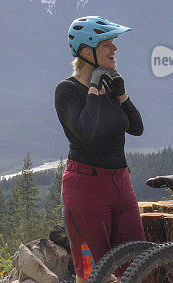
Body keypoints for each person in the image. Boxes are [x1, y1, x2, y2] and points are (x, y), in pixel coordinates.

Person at [54, 16, 145, 282]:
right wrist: (93, 87)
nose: (114, 49)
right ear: (86, 51)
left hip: (121, 184)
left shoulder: (110, 86)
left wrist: (122, 95)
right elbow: (85, 133)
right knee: (92, 271)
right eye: (108, 44)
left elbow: (137, 128)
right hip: (85, 188)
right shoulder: (67, 90)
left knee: (139, 260)